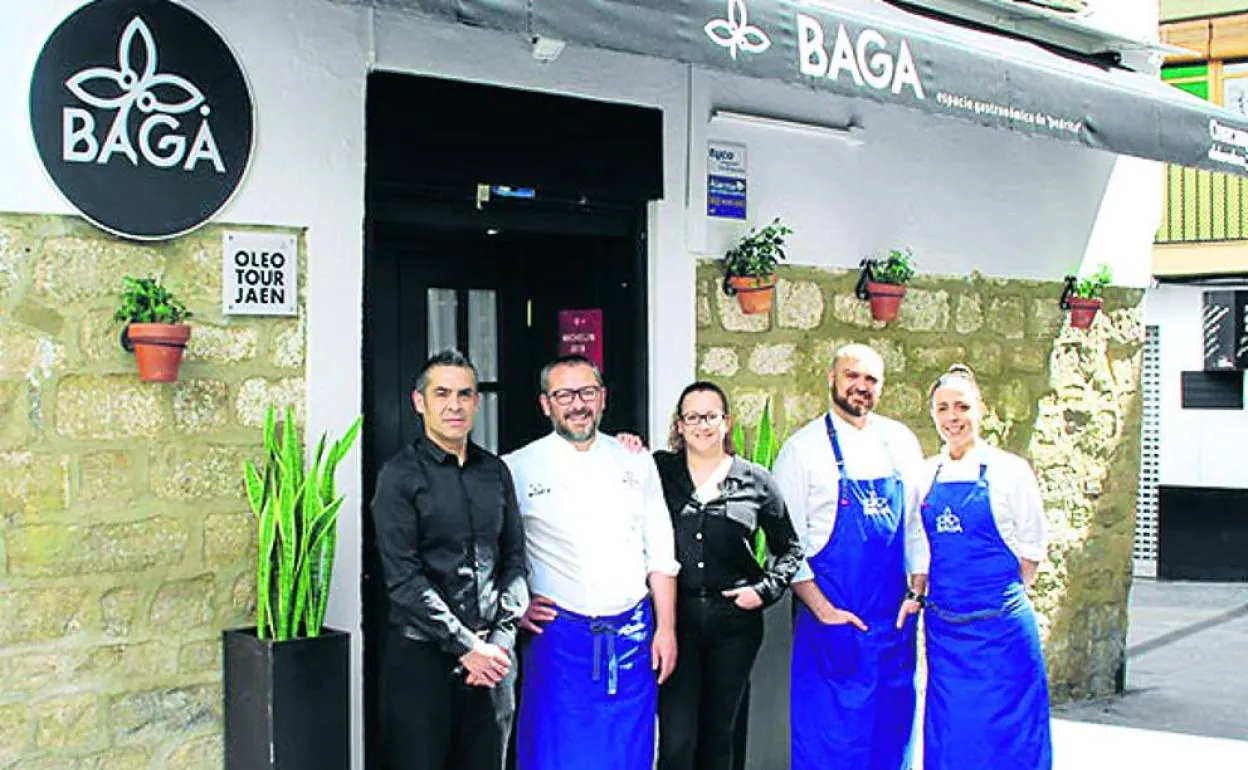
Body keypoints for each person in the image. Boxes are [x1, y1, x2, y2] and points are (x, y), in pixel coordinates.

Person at [504, 354, 680, 770]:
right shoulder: (515, 468)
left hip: (633, 635)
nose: (577, 403)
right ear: (546, 404)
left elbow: (660, 549)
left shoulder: (635, 460)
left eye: (586, 392)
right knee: (554, 749)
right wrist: (516, 605)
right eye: (564, 394)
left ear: (603, 398)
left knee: (630, 748)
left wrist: (667, 629)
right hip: (557, 639)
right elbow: (499, 553)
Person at [370, 349, 528, 770]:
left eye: (464, 394)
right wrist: (465, 645)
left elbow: (514, 560)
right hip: (423, 663)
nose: (454, 405)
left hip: (493, 663)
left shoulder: (495, 472)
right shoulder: (399, 476)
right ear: (419, 401)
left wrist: (499, 642)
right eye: (442, 394)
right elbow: (404, 579)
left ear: (477, 402)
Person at [772, 343, 927, 770]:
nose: (860, 387)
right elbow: (789, 549)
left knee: (890, 736)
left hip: (893, 626)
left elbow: (916, 526)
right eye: (851, 376)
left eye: (871, 379)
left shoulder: (901, 442)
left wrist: (917, 590)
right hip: (833, 628)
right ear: (831, 378)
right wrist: (824, 612)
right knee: (831, 742)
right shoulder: (802, 450)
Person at [906, 364, 1052, 770]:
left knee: (1010, 733)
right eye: (943, 408)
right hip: (946, 630)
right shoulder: (925, 474)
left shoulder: (1010, 471)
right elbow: (920, 545)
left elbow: (1032, 547)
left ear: (981, 410)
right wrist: (918, 594)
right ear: (933, 414)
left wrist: (998, 597)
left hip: (1001, 631)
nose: (953, 417)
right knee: (953, 730)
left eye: (962, 407)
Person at [652, 381, 804, 770]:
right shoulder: (658, 471)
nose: (702, 425)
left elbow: (789, 548)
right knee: (677, 739)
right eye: (693, 417)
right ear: (680, 425)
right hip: (677, 620)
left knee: (720, 737)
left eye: (711, 416)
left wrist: (764, 590)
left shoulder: (756, 480)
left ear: (726, 422)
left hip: (734, 624)